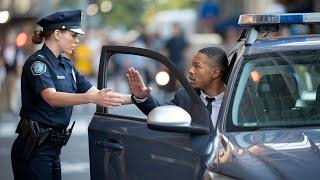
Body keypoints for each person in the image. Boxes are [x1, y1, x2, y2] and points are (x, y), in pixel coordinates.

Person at [11, 10, 127, 180]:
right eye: (73, 35)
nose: (77, 40)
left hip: (52, 149)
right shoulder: (38, 63)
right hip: (34, 149)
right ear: (57, 34)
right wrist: (90, 98)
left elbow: (99, 94)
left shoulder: (67, 65)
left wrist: (136, 98)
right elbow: (51, 97)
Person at [127, 47, 228, 127]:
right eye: (192, 65)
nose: (191, 71)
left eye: (197, 66)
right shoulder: (185, 96)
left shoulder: (237, 102)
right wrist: (141, 97)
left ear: (215, 73)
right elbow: (160, 110)